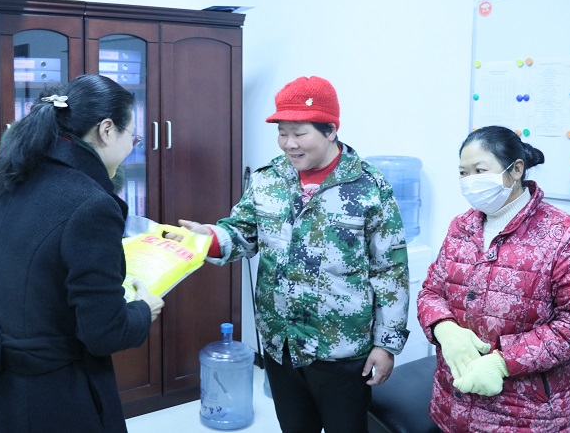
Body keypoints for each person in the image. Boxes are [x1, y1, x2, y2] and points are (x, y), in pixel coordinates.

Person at [176, 76, 410, 433]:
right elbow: (243, 233)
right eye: (282, 133)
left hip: (342, 348)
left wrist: (387, 344)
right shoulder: (268, 179)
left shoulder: (369, 186)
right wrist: (205, 239)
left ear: (331, 130)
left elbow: (390, 270)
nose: (289, 143)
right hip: (281, 341)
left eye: (299, 133)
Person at [0, 74, 164, 432]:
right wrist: (144, 310)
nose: (133, 146)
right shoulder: (92, 205)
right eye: (133, 136)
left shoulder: (14, 174)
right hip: (52, 394)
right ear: (106, 130)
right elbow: (105, 333)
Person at [417, 125, 570, 432]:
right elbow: (431, 291)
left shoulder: (566, 236)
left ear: (515, 170)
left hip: (527, 418)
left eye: (479, 171)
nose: (470, 181)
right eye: (463, 173)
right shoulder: (461, 227)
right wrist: (444, 328)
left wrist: (503, 361)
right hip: (453, 405)